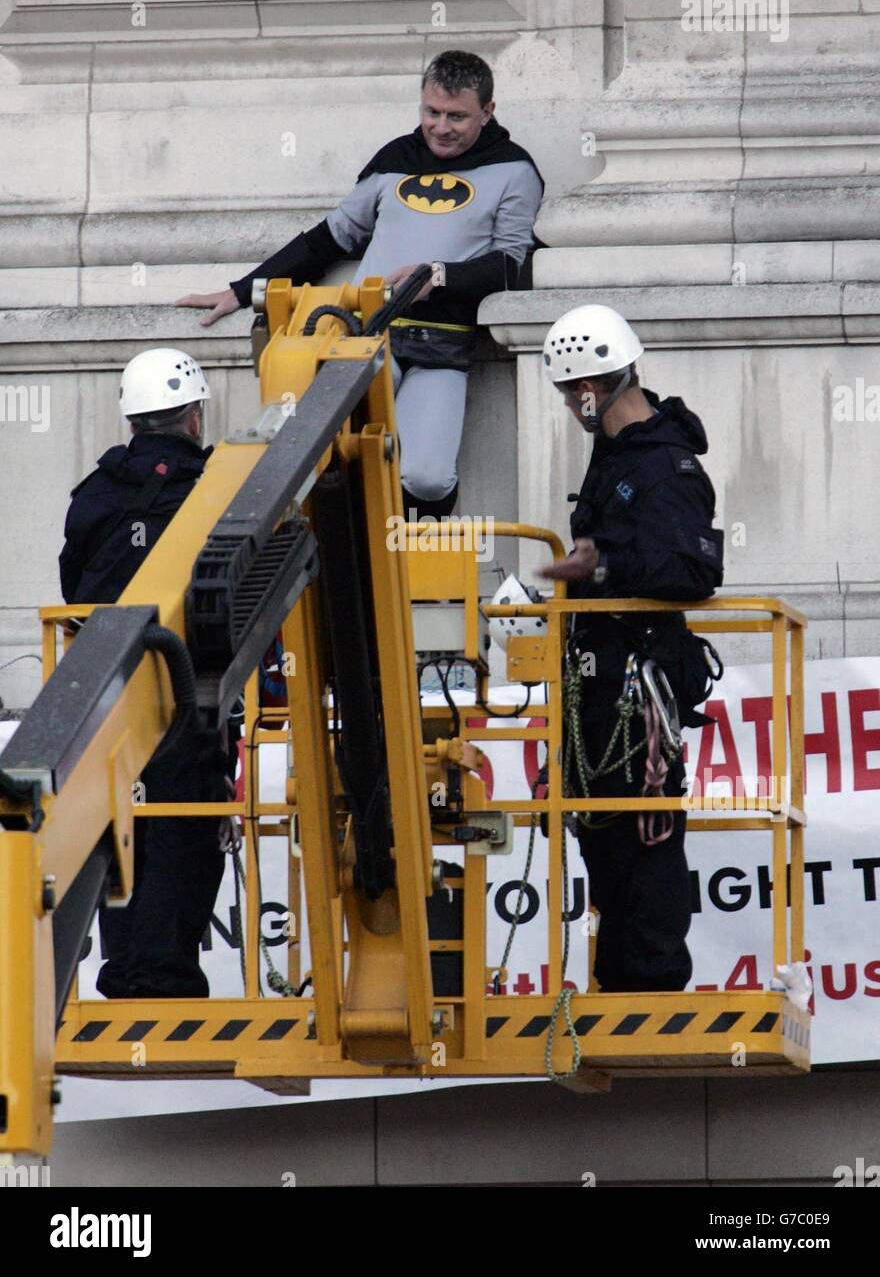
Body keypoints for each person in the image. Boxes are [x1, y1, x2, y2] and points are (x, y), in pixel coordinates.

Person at [176, 50, 544, 519]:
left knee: (427, 476)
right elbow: (331, 237)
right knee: (332, 445)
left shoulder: (514, 169)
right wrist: (243, 289)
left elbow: (514, 264)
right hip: (366, 335)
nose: (441, 127)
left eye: (457, 116)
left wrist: (440, 275)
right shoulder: (395, 160)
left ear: (488, 112)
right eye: (431, 112)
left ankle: (409, 577)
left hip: (443, 342)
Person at [539, 305, 724, 993]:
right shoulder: (616, 461)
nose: (569, 405)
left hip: (634, 687)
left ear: (593, 387)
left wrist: (602, 567)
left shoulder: (663, 465)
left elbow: (692, 570)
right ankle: (622, 978)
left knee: (642, 833)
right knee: (605, 835)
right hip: (600, 682)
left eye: (571, 391)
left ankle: (649, 979)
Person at [59, 348, 229, 999]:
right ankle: (165, 974)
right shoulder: (215, 488)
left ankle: (121, 969)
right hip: (186, 691)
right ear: (192, 417)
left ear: (131, 421)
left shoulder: (94, 493)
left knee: (118, 827)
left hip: (100, 690)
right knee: (184, 824)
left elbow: (73, 584)